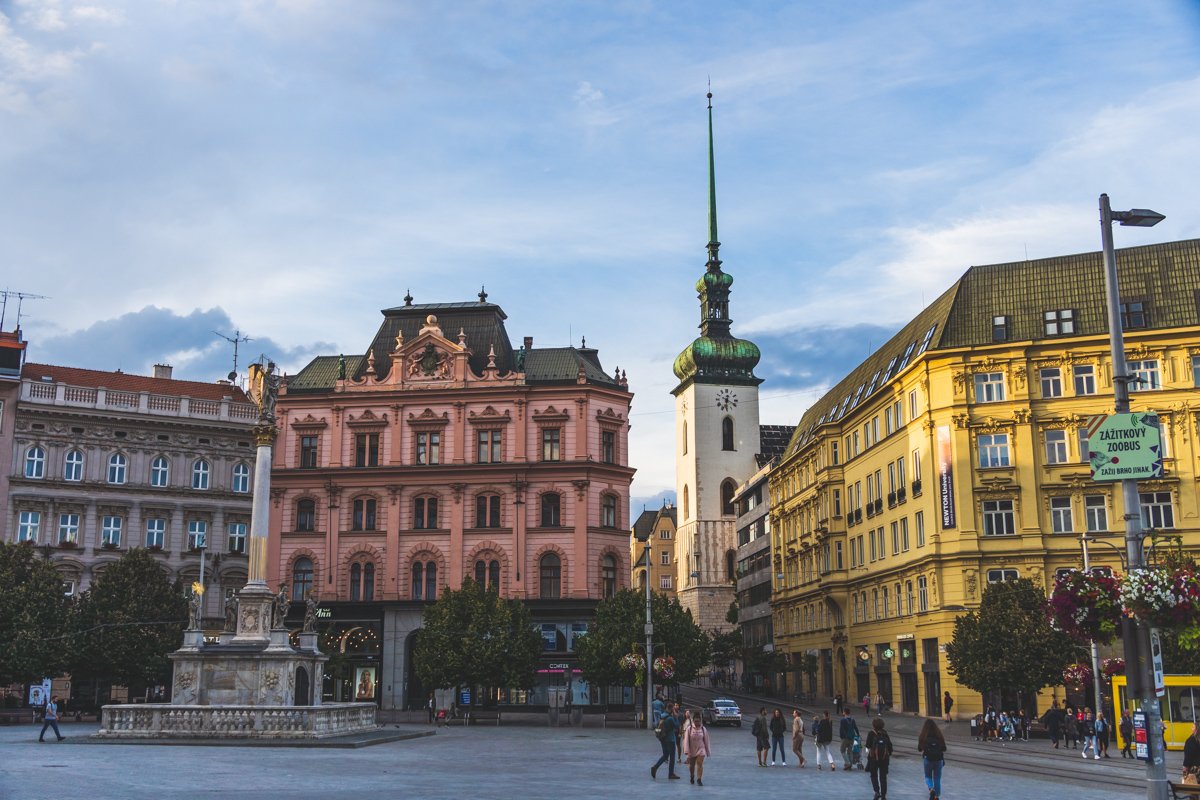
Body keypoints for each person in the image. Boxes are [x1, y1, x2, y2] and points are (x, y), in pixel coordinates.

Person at [918, 717, 947, 800]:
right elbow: (944, 748)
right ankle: (936, 796)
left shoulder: (923, 735)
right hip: (939, 759)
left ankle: (931, 789)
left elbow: (919, 749)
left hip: (928, 759)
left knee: (928, 776)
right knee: (937, 778)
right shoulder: (939, 734)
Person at [651, 701, 681, 780]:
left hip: (662, 738)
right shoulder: (670, 718)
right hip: (670, 739)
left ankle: (655, 767)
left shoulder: (661, 716)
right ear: (671, 709)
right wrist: (676, 717)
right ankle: (671, 774)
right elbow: (677, 726)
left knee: (665, 755)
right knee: (672, 757)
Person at [866, 716, 893, 800]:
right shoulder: (885, 733)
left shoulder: (871, 733)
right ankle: (884, 795)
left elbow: (868, 745)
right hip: (884, 758)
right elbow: (890, 746)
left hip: (874, 758)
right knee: (883, 777)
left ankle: (877, 792)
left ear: (873, 725)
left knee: (873, 775)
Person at [683, 710, 712, 785]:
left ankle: (699, 779)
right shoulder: (689, 729)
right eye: (696, 721)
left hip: (701, 749)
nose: (697, 723)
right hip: (692, 750)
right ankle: (692, 776)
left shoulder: (703, 729)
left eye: (698, 721)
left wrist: (708, 751)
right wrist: (686, 751)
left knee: (699, 764)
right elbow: (686, 741)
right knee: (691, 766)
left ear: (700, 721)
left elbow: (706, 740)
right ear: (693, 721)